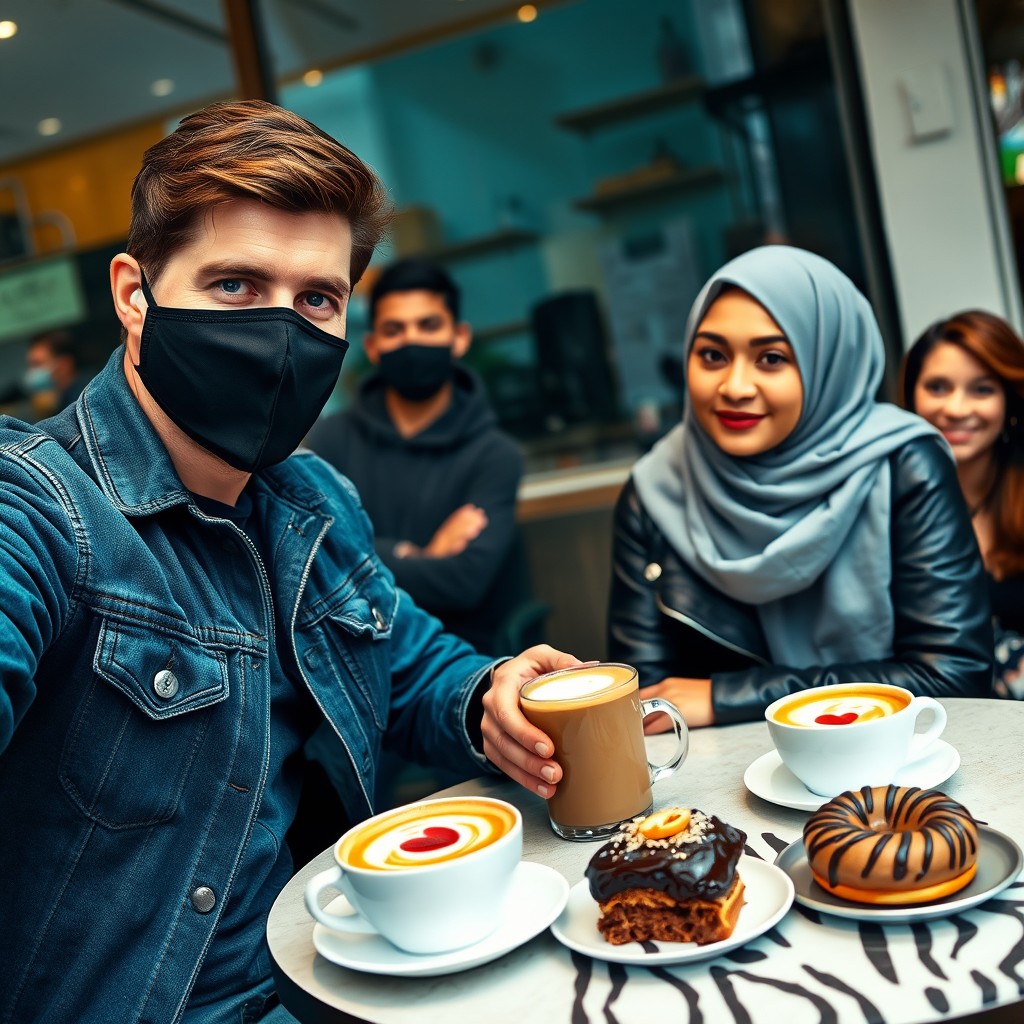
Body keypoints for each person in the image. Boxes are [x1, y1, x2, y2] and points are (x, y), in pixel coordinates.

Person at [0, 99, 573, 1024]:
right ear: (133, 295)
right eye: (233, 286)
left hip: (343, 974)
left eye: (316, 299)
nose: (280, 333)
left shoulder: (316, 499)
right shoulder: (36, 506)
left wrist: (491, 693)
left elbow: (411, 659)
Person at [607, 245, 992, 728]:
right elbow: (644, 703)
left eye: (770, 358)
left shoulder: (903, 463)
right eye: (712, 355)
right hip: (720, 784)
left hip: (897, 765)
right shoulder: (655, 489)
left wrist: (727, 697)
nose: (734, 386)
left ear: (828, 361)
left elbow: (954, 675)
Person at [306, 258, 526, 655]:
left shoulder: (496, 456)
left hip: (463, 660)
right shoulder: (330, 439)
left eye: (428, 326)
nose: (412, 341)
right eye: (394, 329)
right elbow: (308, 555)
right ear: (373, 346)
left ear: (459, 337)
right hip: (350, 650)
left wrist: (360, 554)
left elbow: (463, 583)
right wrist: (416, 555)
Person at [901, 311, 1024, 696]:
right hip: (936, 718)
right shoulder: (886, 497)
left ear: (1009, 399)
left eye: (981, 389)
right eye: (938, 387)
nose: (956, 409)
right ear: (911, 394)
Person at [24, 328, 88, 416]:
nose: (32, 371)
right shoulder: (58, 401)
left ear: (65, 364)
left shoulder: (85, 400)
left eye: (38, 364)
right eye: (31, 365)